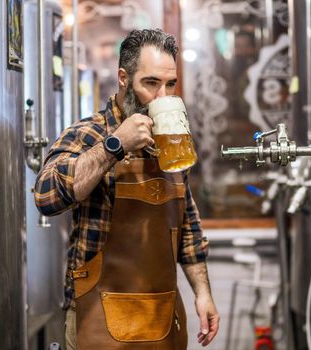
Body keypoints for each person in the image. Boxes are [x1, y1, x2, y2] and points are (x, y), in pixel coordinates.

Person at [34, 28, 219, 350]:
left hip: (162, 315)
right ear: (123, 77)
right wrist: (114, 146)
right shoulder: (89, 133)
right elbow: (46, 197)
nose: (163, 96)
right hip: (99, 316)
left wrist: (203, 294)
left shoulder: (171, 139)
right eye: (151, 83)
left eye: (170, 84)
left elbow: (187, 225)